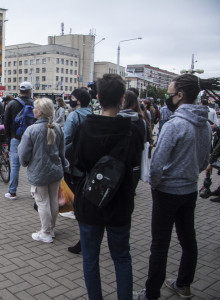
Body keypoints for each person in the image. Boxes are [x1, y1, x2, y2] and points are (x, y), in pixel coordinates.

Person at [135, 74, 218, 300]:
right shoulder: (205, 125)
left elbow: (157, 164)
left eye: (170, 94)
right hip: (189, 189)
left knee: (159, 245)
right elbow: (203, 161)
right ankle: (184, 284)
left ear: (180, 95)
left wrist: (156, 184)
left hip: (167, 192)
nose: (168, 98)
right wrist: (190, 175)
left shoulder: (174, 125)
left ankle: (151, 293)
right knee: (188, 239)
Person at [70, 74, 143, 300]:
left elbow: (77, 162)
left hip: (90, 200)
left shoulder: (84, 127)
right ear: (122, 98)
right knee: (121, 256)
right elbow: (135, 165)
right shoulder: (134, 129)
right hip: (120, 201)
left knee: (90, 257)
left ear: (98, 97)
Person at [18, 98, 68, 243]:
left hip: (39, 172)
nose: (33, 110)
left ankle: (45, 232)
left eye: (35, 108)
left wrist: (25, 163)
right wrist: (64, 166)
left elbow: (23, 153)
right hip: (56, 170)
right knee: (53, 200)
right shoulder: (57, 128)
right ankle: (50, 229)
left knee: (42, 201)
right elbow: (62, 152)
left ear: (40, 111)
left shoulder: (32, 130)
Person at [63, 88, 93, 254]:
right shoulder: (92, 113)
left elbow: (66, 136)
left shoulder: (75, 115)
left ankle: (76, 210)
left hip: (74, 158)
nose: (70, 100)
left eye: (72, 98)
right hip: (88, 158)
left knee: (74, 187)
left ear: (79, 100)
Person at [4, 82, 34, 200]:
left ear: (19, 90)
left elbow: (6, 122)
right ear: (30, 91)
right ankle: (34, 192)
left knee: (15, 165)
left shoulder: (12, 104)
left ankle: (12, 192)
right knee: (32, 164)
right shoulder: (34, 103)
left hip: (15, 138)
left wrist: (8, 138)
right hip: (31, 138)